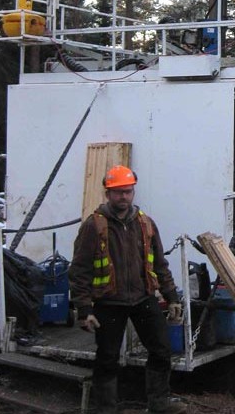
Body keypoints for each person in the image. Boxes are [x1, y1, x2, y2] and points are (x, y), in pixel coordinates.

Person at [69, 165, 187, 414]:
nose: (123, 197)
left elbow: (160, 264)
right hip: (109, 301)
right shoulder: (94, 226)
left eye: (128, 192)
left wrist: (172, 297)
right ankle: (106, 409)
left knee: (161, 350)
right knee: (107, 357)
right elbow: (79, 270)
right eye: (118, 192)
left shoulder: (145, 223)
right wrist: (84, 309)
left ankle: (159, 402)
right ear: (107, 193)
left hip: (143, 298)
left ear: (133, 192)